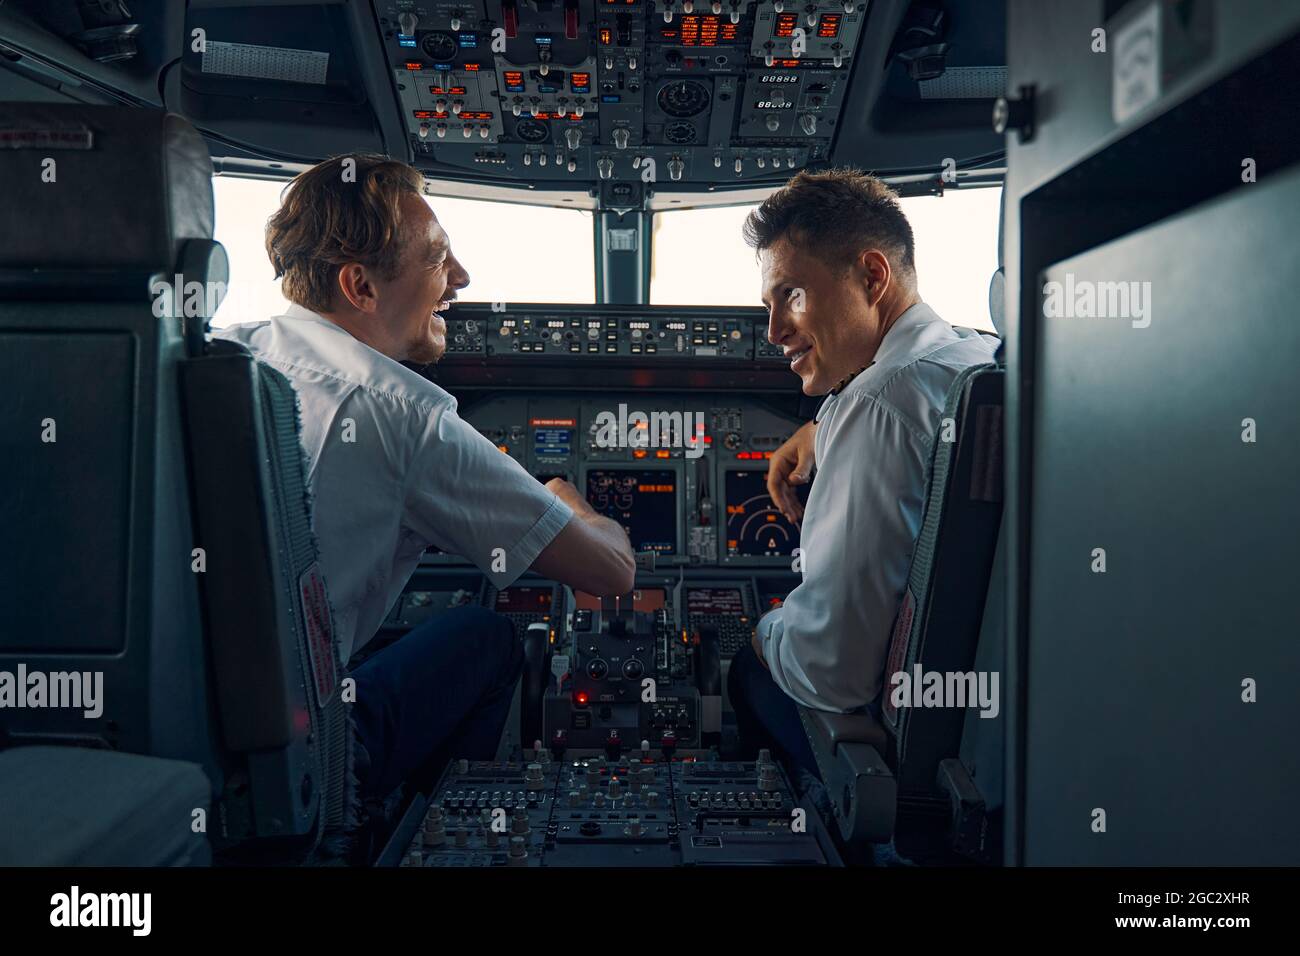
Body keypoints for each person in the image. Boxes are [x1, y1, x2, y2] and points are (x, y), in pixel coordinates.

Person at [216, 155, 635, 799]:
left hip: (193, 743)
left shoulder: (223, 352)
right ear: (361, 287)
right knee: (488, 637)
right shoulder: (407, 416)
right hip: (297, 762)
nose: (461, 278)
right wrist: (566, 499)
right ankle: (393, 831)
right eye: (439, 259)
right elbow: (610, 573)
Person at [726, 168, 999, 776]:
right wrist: (824, 426)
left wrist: (766, 630)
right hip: (989, 740)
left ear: (872, 276)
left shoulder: (876, 405)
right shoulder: (980, 357)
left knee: (748, 668)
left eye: (791, 295)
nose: (774, 332)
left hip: (906, 762)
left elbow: (831, 671)